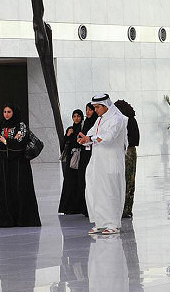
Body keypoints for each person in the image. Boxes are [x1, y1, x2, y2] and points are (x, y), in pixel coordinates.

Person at [78, 93, 128, 234]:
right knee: (95, 190)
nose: (96, 110)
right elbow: (91, 134)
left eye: (97, 107)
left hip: (111, 162)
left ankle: (113, 224)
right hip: (97, 162)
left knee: (110, 191)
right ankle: (100, 223)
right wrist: (84, 139)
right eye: (94, 107)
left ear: (106, 106)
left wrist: (91, 138)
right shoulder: (99, 120)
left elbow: (108, 137)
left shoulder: (117, 119)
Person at [0, 102, 41, 227]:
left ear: (14, 112)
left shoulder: (21, 126)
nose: (6, 114)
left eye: (9, 112)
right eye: (4, 112)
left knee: (21, 189)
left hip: (20, 165)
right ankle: (7, 220)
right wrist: (11, 141)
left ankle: (24, 219)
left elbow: (20, 145)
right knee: (5, 190)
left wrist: (6, 142)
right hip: (4, 165)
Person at [58, 109, 87, 215]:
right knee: (69, 182)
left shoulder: (83, 129)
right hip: (71, 159)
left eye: (78, 116)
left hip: (80, 158)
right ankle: (69, 207)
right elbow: (64, 143)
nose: (76, 118)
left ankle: (79, 206)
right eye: (74, 116)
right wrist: (68, 135)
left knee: (79, 182)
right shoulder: (70, 129)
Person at [115, 99, 139, 218]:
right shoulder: (131, 120)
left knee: (126, 180)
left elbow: (132, 139)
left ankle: (124, 208)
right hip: (129, 152)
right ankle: (127, 208)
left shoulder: (126, 121)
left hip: (126, 152)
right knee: (129, 181)